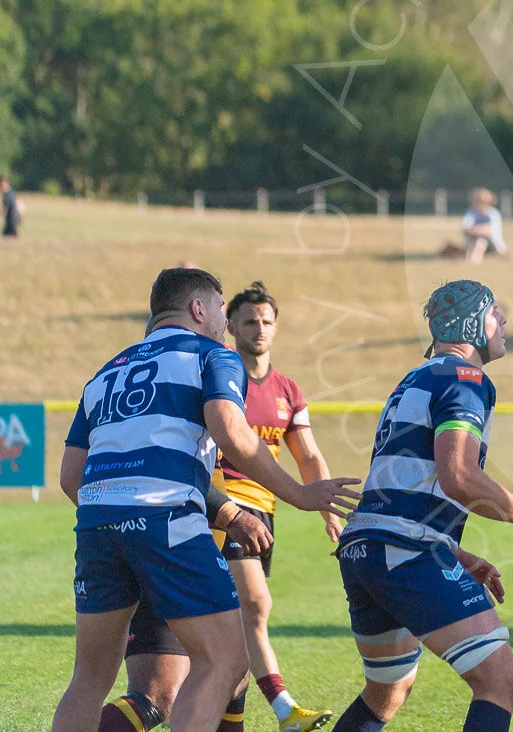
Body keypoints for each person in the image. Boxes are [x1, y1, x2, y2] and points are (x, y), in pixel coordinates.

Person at [55, 266, 360, 732]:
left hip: (97, 525)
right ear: (199, 309)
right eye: (220, 308)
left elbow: (70, 476)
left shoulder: (104, 374)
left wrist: (119, 510)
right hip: (168, 520)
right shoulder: (211, 354)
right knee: (225, 659)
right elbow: (232, 434)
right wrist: (301, 494)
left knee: (88, 679)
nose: (224, 319)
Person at [330, 279, 513, 732]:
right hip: (405, 551)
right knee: (500, 679)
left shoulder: (414, 379)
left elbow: (408, 485)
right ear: (473, 322)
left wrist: (454, 551)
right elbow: (459, 477)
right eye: (496, 313)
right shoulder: (466, 377)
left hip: (365, 550)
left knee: (388, 690)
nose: (505, 322)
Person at [214, 282, 341, 731]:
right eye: (250, 321)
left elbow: (306, 455)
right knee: (255, 604)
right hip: (224, 510)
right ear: (230, 326)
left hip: (265, 513)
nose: (259, 329)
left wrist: (326, 504)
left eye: (266, 321)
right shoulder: (219, 376)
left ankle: (226, 719)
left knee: (234, 631)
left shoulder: (288, 389)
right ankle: (285, 710)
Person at [98, 487, 272, 732]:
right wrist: (297, 494)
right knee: (159, 694)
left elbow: (71, 476)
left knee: (232, 672)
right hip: (175, 547)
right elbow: (233, 451)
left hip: (172, 543)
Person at [461, 189, 507, 263]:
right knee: (474, 241)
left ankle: (475, 260)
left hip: (492, 244)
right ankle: (469, 258)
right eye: (477, 201)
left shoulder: (493, 213)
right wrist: (479, 230)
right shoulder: (470, 212)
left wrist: (475, 230)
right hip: (472, 241)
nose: (479, 204)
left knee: (481, 241)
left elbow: (489, 231)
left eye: (482, 202)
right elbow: (465, 228)